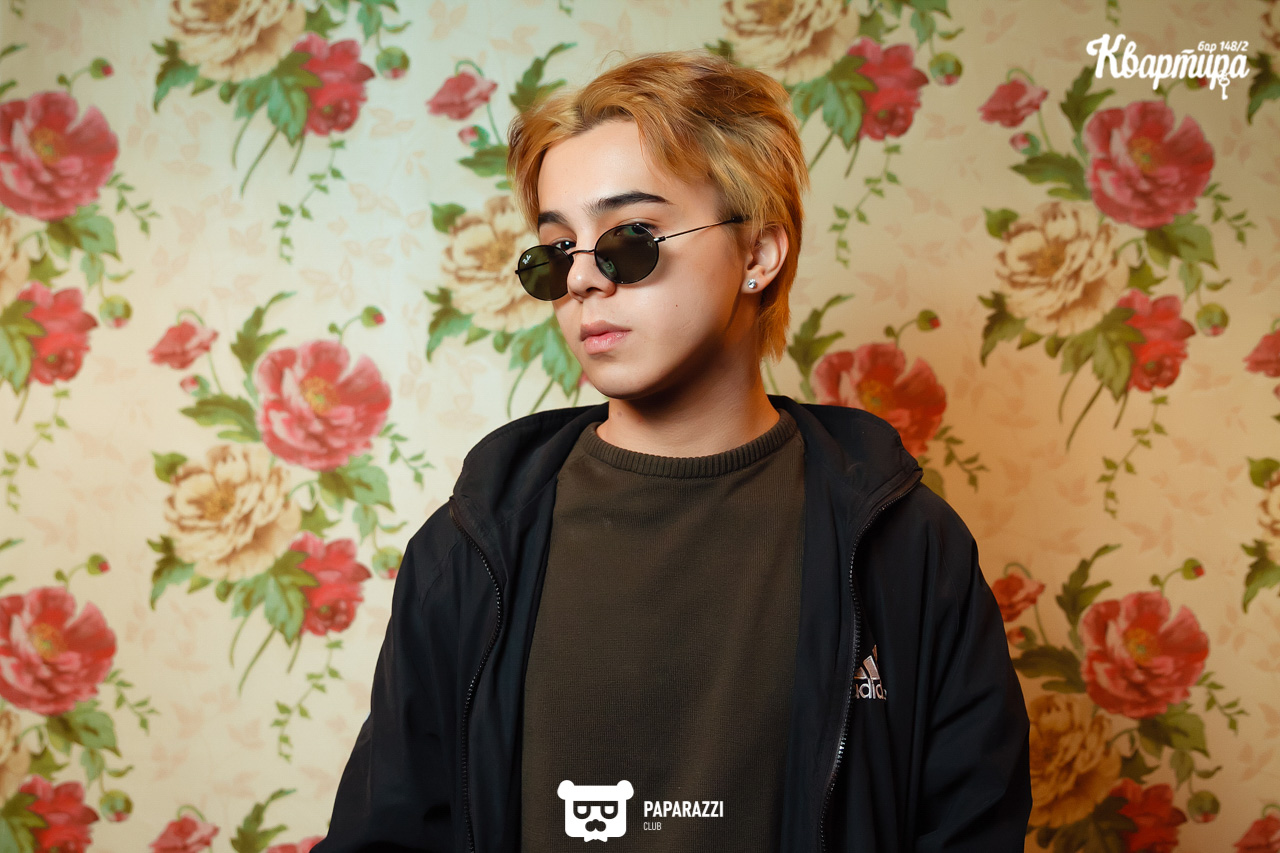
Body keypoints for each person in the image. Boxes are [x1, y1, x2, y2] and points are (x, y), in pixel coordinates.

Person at [313, 49, 1030, 853]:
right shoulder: (470, 548)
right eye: (557, 250)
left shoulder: (908, 549)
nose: (583, 280)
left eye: (632, 239)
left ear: (758, 254)